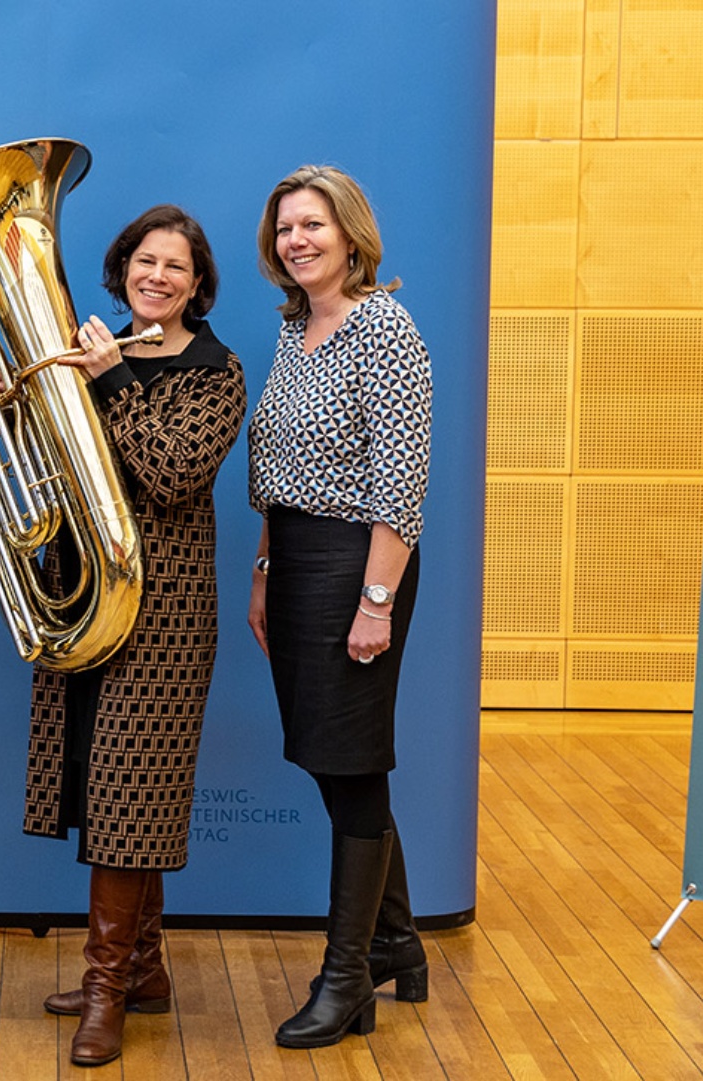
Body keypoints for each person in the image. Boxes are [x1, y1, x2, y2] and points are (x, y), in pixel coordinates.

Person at [19, 205, 245, 1067]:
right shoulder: (97, 351)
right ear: (124, 270)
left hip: (166, 613)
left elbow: (173, 475)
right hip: (86, 594)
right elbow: (57, 464)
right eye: (145, 261)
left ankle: (107, 988)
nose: (158, 276)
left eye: (175, 267)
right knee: (103, 783)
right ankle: (142, 967)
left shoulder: (215, 371)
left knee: (129, 789)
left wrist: (109, 382)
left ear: (198, 283)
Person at [245, 165, 434, 1048]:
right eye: (285, 229)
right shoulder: (294, 329)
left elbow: (401, 482)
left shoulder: (383, 327)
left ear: (350, 234)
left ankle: (347, 975)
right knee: (333, 760)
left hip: (360, 562)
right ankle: (396, 941)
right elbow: (279, 470)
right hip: (293, 562)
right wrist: (262, 570)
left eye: (313, 225)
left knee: (354, 763)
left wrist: (376, 601)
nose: (298, 241)